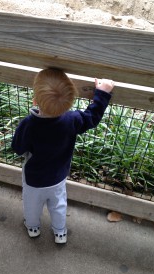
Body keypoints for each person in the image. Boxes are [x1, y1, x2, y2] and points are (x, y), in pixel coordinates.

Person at [11, 68, 114, 244]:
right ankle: (60, 232)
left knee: (31, 204)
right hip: (58, 177)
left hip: (34, 179)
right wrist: (102, 93)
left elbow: (18, 148)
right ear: (69, 102)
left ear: (35, 100)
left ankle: (33, 227)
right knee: (58, 204)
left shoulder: (29, 124)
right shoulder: (72, 120)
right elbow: (92, 117)